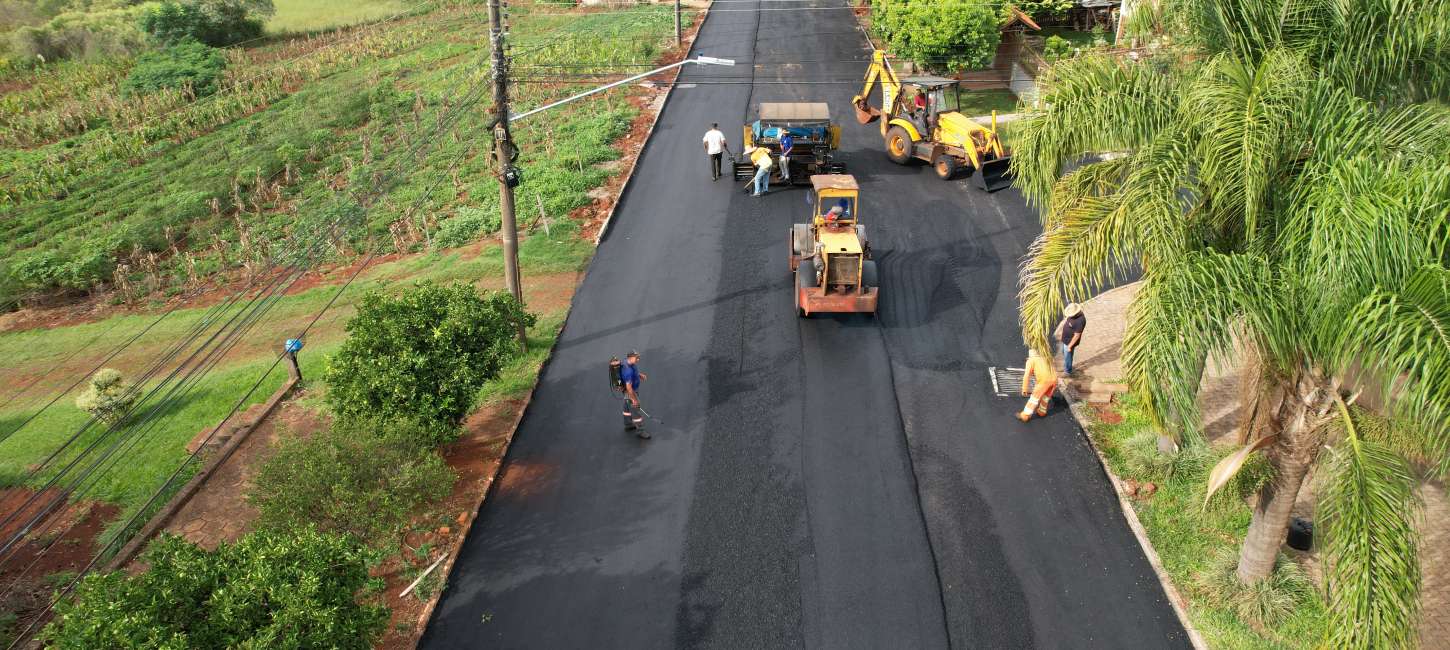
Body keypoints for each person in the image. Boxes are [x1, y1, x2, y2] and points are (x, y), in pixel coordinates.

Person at [1018, 348, 1059, 422]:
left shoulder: (1031, 361)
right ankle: (1042, 412)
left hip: (1043, 381)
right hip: (1054, 379)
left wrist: (1024, 389)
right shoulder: (1046, 357)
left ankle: (1025, 415)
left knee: (1034, 398)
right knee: (1046, 397)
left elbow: (1026, 376)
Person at [620, 351, 649, 438]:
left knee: (626, 406)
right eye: (636, 358)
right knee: (636, 409)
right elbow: (629, 387)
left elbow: (632, 372)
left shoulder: (626, 362)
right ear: (630, 357)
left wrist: (639, 375)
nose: (638, 359)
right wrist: (634, 399)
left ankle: (628, 425)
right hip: (631, 391)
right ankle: (640, 431)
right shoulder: (628, 370)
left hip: (627, 392)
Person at [1056, 302, 1087, 375]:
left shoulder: (1080, 320)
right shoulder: (1072, 316)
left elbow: (1077, 335)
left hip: (1070, 342)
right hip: (1065, 339)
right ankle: (1066, 366)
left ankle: (1068, 371)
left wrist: (1070, 346)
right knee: (1064, 353)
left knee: (1068, 356)